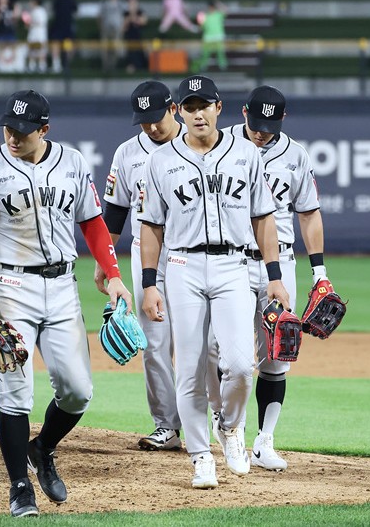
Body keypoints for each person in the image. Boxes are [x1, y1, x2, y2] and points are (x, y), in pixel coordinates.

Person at [0, 90, 133, 517]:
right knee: (16, 390)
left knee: (78, 391)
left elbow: (93, 222)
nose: (12, 137)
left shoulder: (72, 162)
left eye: (22, 131)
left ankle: (42, 449)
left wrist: (113, 275)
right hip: (10, 284)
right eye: (8, 128)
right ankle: (19, 487)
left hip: (62, 287)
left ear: (44, 129)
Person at [138, 75, 289, 489]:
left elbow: (264, 218)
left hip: (235, 266)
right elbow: (151, 225)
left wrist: (274, 276)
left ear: (219, 108)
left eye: (204, 105)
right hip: (183, 267)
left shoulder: (246, 154)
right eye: (189, 106)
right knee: (188, 368)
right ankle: (201, 456)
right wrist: (150, 284)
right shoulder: (161, 161)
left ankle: (233, 427)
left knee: (241, 364)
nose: (197, 113)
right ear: (178, 112)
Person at [208, 85, 326, 472]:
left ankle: (264, 441)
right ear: (242, 113)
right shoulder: (220, 145)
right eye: (256, 123)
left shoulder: (295, 155)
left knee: (279, 353)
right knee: (223, 350)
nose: (261, 132)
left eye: (269, 125)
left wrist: (320, 272)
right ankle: (226, 421)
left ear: (283, 120)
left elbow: (308, 213)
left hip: (282, 263)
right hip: (233, 261)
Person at [96, 81, 184, 451]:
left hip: (192, 254)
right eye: (143, 120)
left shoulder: (197, 144)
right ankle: (166, 425)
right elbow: (115, 212)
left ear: (174, 108)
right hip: (147, 255)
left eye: (156, 117)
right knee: (154, 344)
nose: (151, 126)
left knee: (208, 345)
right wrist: (107, 263)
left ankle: (219, 422)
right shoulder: (128, 152)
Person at [50, 0, 78, 73]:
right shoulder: (58, 0)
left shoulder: (68, 0)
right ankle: (57, 64)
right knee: (57, 45)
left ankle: (65, 64)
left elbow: (75, 10)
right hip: (60, 27)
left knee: (67, 46)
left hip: (66, 27)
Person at [193, 0, 228, 71]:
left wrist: (218, 3)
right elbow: (201, 27)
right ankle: (203, 67)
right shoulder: (205, 16)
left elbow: (226, 10)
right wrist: (200, 24)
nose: (211, 8)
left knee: (220, 52)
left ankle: (223, 67)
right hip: (208, 37)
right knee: (205, 53)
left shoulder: (218, 14)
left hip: (218, 36)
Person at [99, 0, 125, 72]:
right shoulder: (105, 3)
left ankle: (114, 66)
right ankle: (105, 66)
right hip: (106, 29)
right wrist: (101, 27)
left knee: (116, 49)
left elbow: (125, 16)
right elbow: (100, 16)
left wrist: (123, 27)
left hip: (117, 29)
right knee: (105, 48)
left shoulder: (121, 3)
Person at [123, 0, 148, 73]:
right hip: (129, 37)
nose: (132, 5)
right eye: (130, 3)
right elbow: (123, 26)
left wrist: (134, 16)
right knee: (131, 53)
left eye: (134, 3)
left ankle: (141, 66)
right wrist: (131, 15)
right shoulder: (126, 13)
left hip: (139, 37)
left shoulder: (140, 12)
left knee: (140, 53)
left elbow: (143, 21)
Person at [25, 0, 49, 73]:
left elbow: (40, 22)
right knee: (32, 49)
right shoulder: (33, 11)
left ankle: (42, 66)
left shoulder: (41, 11)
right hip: (33, 33)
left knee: (41, 49)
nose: (30, 4)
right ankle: (32, 66)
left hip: (39, 33)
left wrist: (30, 23)